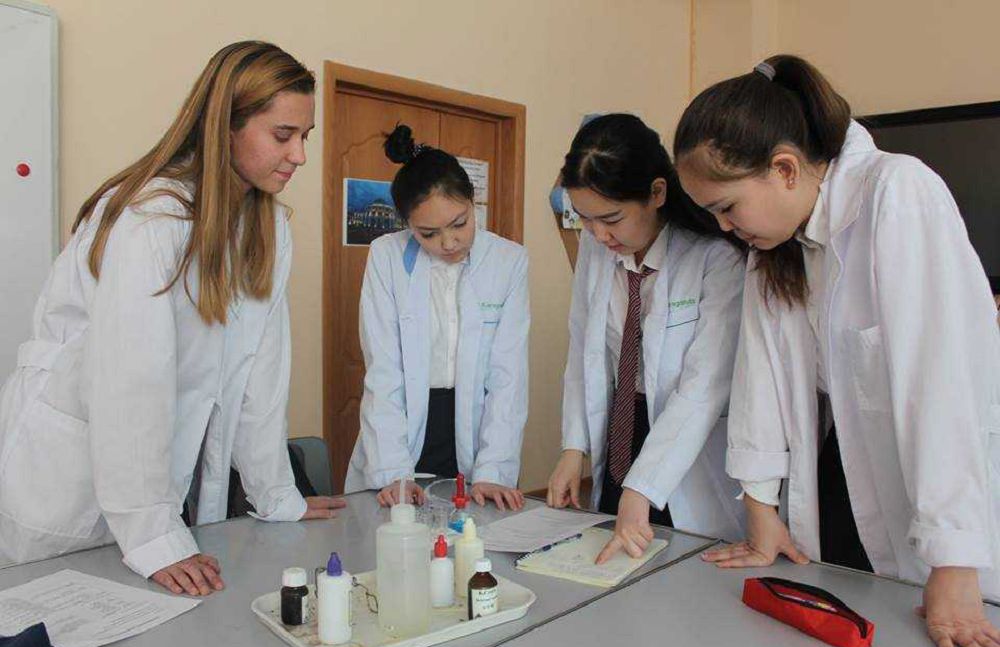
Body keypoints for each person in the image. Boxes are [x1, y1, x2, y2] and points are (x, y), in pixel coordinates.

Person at [674, 55, 1000, 647]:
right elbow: (760, 375)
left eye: (727, 206)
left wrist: (954, 561)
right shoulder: (776, 244)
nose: (723, 226)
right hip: (842, 472)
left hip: (936, 487)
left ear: (784, 169)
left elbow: (942, 385)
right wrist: (760, 508)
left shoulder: (896, 193)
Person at [0, 41, 345, 597]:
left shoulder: (266, 229)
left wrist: (276, 493)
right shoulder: (150, 218)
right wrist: (152, 533)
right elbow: (129, 380)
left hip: (150, 484)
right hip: (66, 478)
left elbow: (260, 375)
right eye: (283, 135)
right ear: (224, 126)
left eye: (305, 136)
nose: (299, 155)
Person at [546, 113, 746, 563]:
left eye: (611, 218)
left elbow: (704, 385)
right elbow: (584, 349)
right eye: (585, 220)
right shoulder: (598, 250)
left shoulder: (715, 256)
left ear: (657, 193)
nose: (598, 235)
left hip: (686, 439)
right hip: (622, 425)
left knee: (681, 564)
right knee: (615, 563)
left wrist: (642, 486)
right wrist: (574, 448)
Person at [345, 124, 529, 512]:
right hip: (405, 427)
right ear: (407, 225)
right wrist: (394, 470)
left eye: (459, 224)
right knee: (397, 532)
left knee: (474, 534)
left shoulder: (508, 261)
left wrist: (493, 468)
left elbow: (507, 377)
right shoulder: (387, 256)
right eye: (428, 233)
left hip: (474, 431)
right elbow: (384, 370)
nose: (448, 242)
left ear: (472, 201)